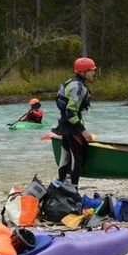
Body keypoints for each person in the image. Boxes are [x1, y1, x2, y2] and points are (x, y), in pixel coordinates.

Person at [55, 57, 97, 185]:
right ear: (83, 72)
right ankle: (73, 190)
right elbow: (70, 112)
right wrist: (83, 131)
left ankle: (61, 184)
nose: (93, 73)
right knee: (77, 160)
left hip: (64, 125)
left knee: (65, 157)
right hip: (72, 127)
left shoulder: (71, 82)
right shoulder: (77, 87)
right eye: (91, 70)